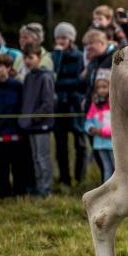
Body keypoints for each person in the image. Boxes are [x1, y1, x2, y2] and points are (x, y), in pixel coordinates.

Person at [0, 53, 32, 196]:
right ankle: (3, 192)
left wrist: (20, 128)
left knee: (18, 166)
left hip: (16, 135)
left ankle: (19, 191)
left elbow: (23, 107)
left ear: (8, 67)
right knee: (1, 167)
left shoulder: (17, 86)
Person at [51, 22, 88, 187]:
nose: (61, 40)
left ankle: (80, 177)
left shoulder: (80, 56)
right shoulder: (53, 56)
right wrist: (57, 55)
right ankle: (64, 178)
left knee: (80, 143)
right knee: (60, 144)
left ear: (71, 38)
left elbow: (80, 81)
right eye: (58, 37)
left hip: (75, 104)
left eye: (64, 37)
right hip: (59, 106)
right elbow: (52, 77)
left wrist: (65, 85)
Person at [19, 43, 55, 196]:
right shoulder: (28, 77)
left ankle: (46, 189)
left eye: (31, 57)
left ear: (39, 58)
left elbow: (47, 104)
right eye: (25, 58)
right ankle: (39, 186)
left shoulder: (45, 77)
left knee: (42, 157)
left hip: (41, 126)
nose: (28, 61)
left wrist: (34, 119)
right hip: (29, 126)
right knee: (35, 158)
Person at [85, 69, 114, 183]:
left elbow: (117, 124)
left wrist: (103, 131)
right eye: (99, 87)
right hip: (99, 143)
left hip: (112, 144)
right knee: (106, 168)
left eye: (104, 86)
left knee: (116, 169)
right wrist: (90, 128)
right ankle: (107, 192)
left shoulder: (114, 103)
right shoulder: (95, 104)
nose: (101, 90)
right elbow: (89, 119)